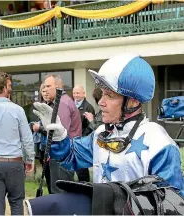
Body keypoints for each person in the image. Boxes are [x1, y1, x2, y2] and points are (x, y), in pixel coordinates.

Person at [27, 54, 184, 214]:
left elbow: (172, 205)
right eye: (102, 94)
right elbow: (72, 155)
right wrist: (59, 138)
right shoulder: (102, 132)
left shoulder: (159, 143)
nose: (101, 102)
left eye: (109, 95)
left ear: (133, 101)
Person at [0, 71, 35, 215]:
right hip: (14, 163)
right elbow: (27, 139)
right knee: (17, 202)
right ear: (4, 89)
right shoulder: (17, 110)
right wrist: (29, 159)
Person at [41, 75, 82, 193]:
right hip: (63, 154)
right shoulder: (60, 102)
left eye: (49, 86)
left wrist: (41, 128)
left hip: (63, 154)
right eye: (45, 86)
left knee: (60, 191)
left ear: (58, 87)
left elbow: (60, 132)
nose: (46, 89)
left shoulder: (62, 103)